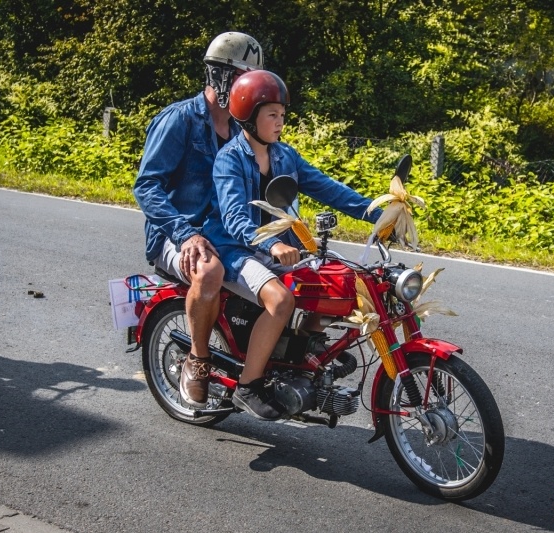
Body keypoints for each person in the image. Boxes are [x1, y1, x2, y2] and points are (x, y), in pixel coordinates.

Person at [204, 70, 382, 420]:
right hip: (236, 249)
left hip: (277, 245)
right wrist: (271, 246)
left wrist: (377, 213)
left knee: (338, 280)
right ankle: (249, 385)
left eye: (283, 115)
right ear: (248, 115)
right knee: (280, 298)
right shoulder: (230, 160)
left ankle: (307, 344)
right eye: (272, 114)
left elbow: (328, 188)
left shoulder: (285, 156)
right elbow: (235, 219)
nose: (280, 122)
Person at [133, 32, 263, 410]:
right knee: (208, 272)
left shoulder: (243, 133)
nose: (247, 90)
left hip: (222, 235)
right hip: (174, 234)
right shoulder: (180, 120)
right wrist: (184, 233)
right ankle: (197, 360)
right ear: (219, 76)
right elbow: (147, 186)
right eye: (240, 79)